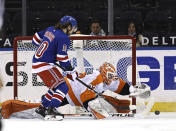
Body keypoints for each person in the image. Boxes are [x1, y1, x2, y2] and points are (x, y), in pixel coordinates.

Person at [0, 62, 151, 120]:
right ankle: (8, 106)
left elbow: (121, 87)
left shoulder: (109, 80)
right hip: (67, 91)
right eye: (110, 76)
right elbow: (86, 99)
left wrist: (134, 89)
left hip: (79, 94)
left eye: (113, 76)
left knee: (109, 103)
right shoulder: (97, 79)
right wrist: (95, 110)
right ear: (104, 73)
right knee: (41, 107)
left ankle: (125, 108)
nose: (112, 79)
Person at [32, 15, 78, 120]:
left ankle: (42, 109)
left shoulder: (50, 29)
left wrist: (49, 48)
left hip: (38, 62)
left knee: (55, 87)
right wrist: (71, 71)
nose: (73, 30)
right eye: (73, 28)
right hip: (44, 65)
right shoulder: (64, 37)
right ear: (69, 27)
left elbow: (35, 40)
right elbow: (62, 58)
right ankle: (51, 110)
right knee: (63, 87)